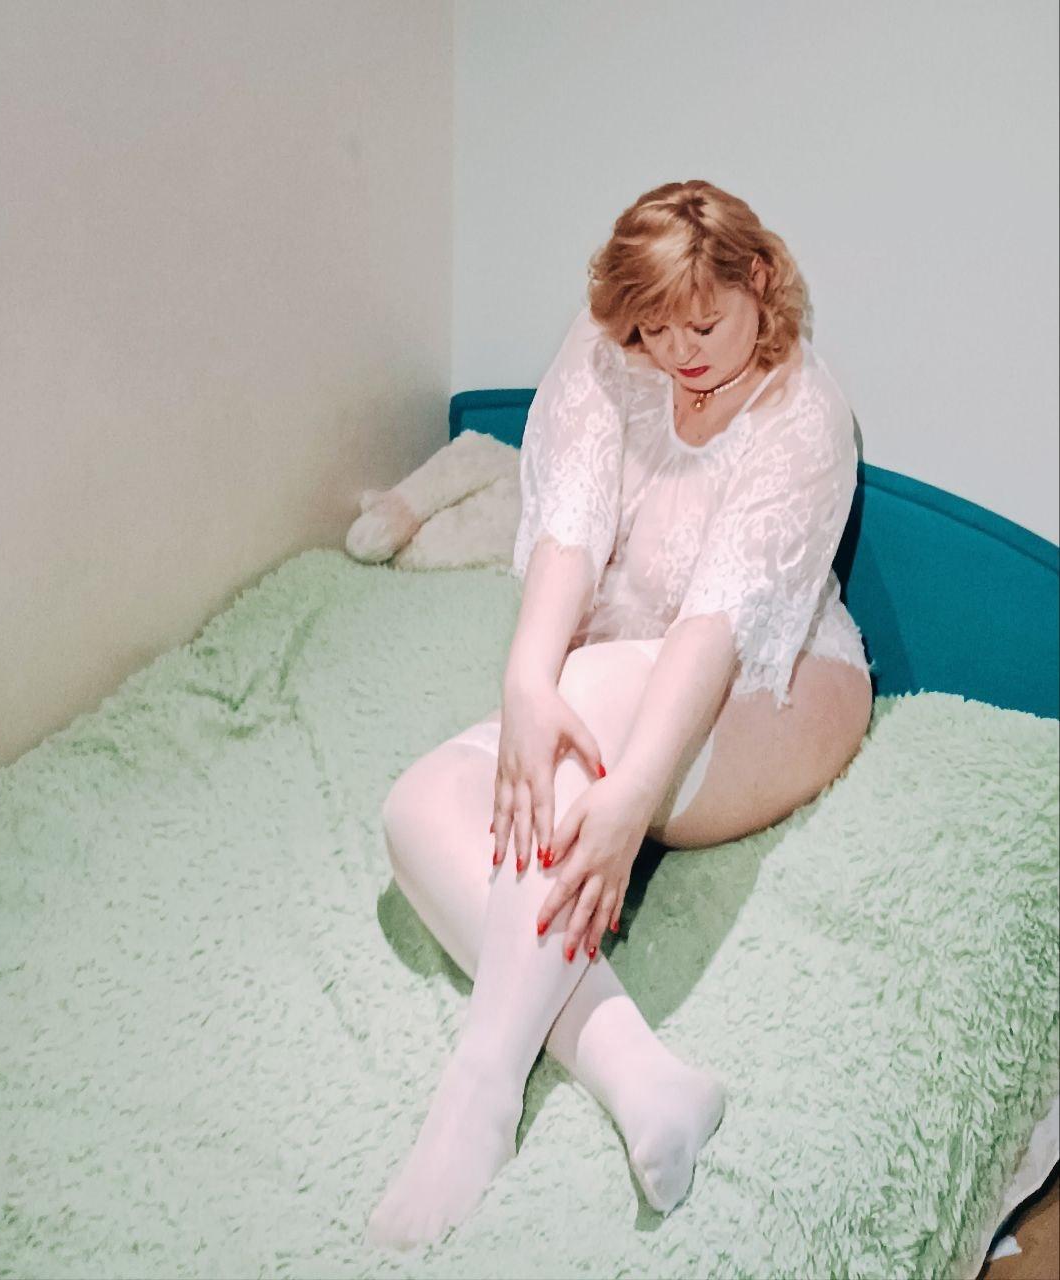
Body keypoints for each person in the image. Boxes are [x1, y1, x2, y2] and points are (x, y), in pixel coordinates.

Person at [365, 179, 874, 1250]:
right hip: (629, 665)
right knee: (416, 806)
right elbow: (572, 527)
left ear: (759, 281)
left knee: (586, 696)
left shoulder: (803, 414)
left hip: (777, 686)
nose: (677, 351)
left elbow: (713, 627)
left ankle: (480, 1091)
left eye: (704, 324)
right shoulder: (613, 349)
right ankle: (646, 1079)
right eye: (653, 329)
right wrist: (524, 682)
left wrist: (631, 796)